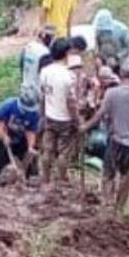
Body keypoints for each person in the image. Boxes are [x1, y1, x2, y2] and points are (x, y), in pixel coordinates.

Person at [81, 64, 129, 211]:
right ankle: (119, 209)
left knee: (108, 174)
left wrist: (84, 127)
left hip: (115, 141)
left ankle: (106, 203)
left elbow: (99, 115)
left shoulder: (111, 93)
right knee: (126, 178)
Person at [39, 38, 79, 184]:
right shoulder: (68, 76)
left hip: (50, 116)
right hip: (65, 119)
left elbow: (42, 95)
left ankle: (45, 178)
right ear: (66, 53)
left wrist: (42, 114)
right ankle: (61, 178)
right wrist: (76, 120)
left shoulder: (44, 72)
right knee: (64, 151)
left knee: (47, 149)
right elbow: (71, 102)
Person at [0, 85, 41, 181]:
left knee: (29, 164)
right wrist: (3, 135)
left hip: (21, 138)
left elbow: (30, 131)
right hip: (7, 134)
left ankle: (27, 181)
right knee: (1, 164)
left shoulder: (34, 113)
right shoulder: (9, 105)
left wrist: (30, 146)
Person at [20, 25, 55, 92]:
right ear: (43, 35)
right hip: (37, 92)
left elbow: (22, 67)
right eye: (51, 37)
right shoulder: (45, 53)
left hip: (25, 89)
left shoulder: (28, 47)